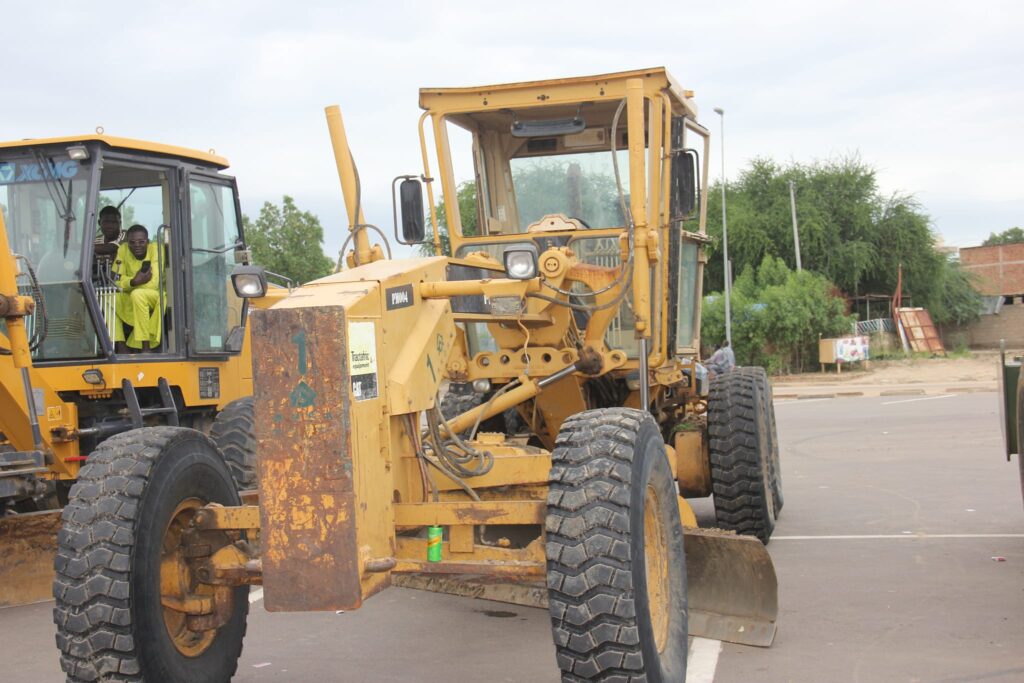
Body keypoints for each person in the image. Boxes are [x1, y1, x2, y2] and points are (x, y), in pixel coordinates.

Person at [112, 225, 163, 352]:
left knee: (138, 294)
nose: (137, 245)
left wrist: (127, 282)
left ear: (148, 241)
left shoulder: (156, 248)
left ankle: (146, 347)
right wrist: (133, 281)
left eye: (141, 242)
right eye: (132, 242)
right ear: (127, 243)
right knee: (108, 294)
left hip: (156, 297)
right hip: (132, 293)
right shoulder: (123, 249)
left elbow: (153, 284)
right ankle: (120, 344)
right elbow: (114, 281)